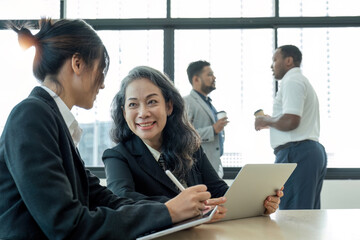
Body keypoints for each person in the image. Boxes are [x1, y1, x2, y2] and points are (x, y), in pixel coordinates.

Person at [0, 19, 211, 240]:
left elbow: (105, 198)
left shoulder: (53, 120)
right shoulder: (32, 115)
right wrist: (168, 211)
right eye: (101, 70)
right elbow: (66, 225)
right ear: (78, 64)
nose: (102, 84)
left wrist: (178, 208)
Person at [102, 66, 283, 222]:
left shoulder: (191, 146)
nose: (143, 113)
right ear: (124, 112)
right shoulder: (117, 156)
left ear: (169, 106)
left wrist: (257, 204)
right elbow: (122, 198)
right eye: (133, 105)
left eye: (152, 102)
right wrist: (181, 208)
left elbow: (218, 190)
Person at [254, 45, 327, 210]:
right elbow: (289, 119)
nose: (271, 65)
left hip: (297, 153)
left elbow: (291, 121)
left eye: (275, 60)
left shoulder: (292, 81)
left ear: (288, 61)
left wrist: (266, 121)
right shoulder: (299, 81)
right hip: (305, 152)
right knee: (306, 216)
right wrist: (271, 121)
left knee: (293, 217)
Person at [183, 60, 228, 178]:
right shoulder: (187, 102)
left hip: (214, 164)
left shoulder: (208, 103)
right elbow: (183, 135)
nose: (214, 77)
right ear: (196, 79)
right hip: (198, 167)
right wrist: (213, 130)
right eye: (209, 74)